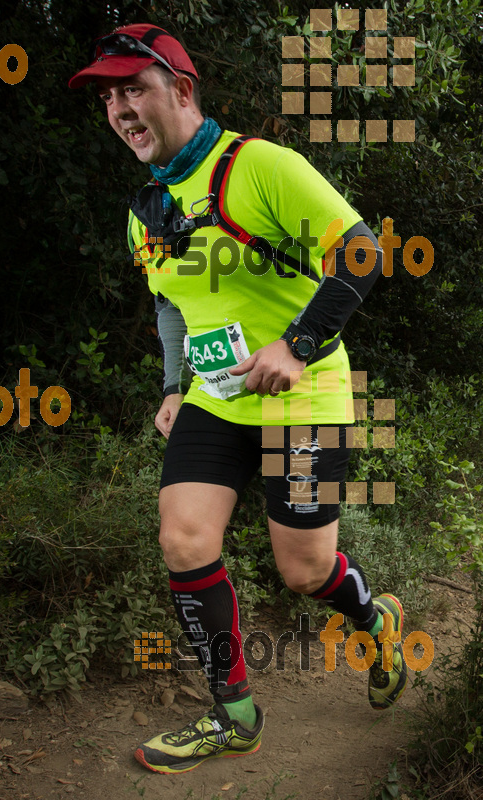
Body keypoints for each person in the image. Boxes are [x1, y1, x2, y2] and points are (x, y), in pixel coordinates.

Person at [69, 23, 407, 775]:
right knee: (184, 541)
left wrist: (296, 345)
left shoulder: (259, 166)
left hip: (304, 396)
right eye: (109, 98)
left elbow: (360, 251)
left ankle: (371, 618)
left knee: (303, 571)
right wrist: (170, 384)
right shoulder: (144, 207)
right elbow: (168, 303)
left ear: (180, 91)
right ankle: (234, 715)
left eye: (134, 89)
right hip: (215, 399)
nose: (121, 109)